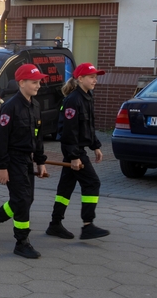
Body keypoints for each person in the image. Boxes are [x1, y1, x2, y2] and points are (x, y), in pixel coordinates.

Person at [0, 64, 49, 259]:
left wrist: (40, 161)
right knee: (22, 200)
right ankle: (21, 242)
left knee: (26, 199)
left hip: (27, 159)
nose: (38, 85)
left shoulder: (35, 106)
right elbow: (1, 139)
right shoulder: (10, 107)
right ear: (22, 83)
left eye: (39, 82)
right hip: (13, 159)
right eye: (34, 82)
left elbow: (38, 137)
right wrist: (2, 167)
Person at [47, 63, 110, 241]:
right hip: (74, 150)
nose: (95, 80)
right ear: (80, 79)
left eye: (96, 77)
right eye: (91, 77)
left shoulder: (87, 96)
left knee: (66, 187)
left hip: (76, 149)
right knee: (92, 183)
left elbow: (88, 126)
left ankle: (55, 224)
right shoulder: (73, 100)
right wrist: (74, 156)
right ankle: (88, 225)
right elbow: (69, 131)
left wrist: (95, 146)